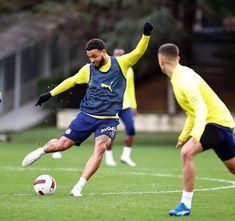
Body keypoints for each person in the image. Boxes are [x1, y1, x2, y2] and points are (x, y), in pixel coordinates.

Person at [22, 22, 153, 197]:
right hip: (86, 116)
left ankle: (78, 187)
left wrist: (146, 35)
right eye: (89, 57)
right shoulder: (88, 70)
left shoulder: (121, 64)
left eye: (94, 56)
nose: (91, 60)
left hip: (108, 119)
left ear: (103, 52)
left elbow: (138, 51)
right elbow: (71, 81)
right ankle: (41, 151)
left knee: (100, 148)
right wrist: (49, 94)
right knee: (62, 145)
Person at [157, 43, 235, 216]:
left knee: (187, 153)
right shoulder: (181, 75)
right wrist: (184, 135)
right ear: (177, 58)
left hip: (216, 123)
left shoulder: (183, 80)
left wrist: (195, 134)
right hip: (222, 122)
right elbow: (193, 113)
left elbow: (201, 109)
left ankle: (185, 205)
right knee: (233, 168)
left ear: (160, 61)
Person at [105, 48, 138, 167]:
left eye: (121, 54)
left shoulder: (129, 69)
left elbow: (131, 88)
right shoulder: (108, 69)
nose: (119, 56)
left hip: (126, 105)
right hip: (112, 106)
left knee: (131, 129)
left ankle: (126, 156)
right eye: (116, 54)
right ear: (112, 56)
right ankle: (108, 157)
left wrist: (134, 105)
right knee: (111, 132)